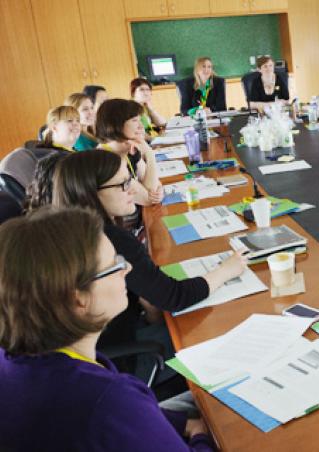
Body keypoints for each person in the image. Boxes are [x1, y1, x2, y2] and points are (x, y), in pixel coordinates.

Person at [0, 207, 215, 451]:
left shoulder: (15, 357)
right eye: (115, 265)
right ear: (78, 299)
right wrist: (200, 437)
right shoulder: (109, 400)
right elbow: (116, 411)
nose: (128, 269)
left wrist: (183, 422)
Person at [51, 151, 247, 354]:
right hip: (125, 351)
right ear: (90, 193)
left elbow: (151, 297)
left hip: (111, 339)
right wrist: (226, 270)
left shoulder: (72, 232)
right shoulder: (108, 240)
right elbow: (174, 297)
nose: (133, 190)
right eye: (123, 184)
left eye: (131, 180)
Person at [95, 99, 163, 207]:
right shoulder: (106, 161)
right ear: (116, 124)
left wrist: (160, 190)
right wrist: (150, 154)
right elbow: (148, 200)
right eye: (135, 120)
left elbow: (155, 186)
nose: (141, 126)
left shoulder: (127, 149)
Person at [0, 106, 81, 195]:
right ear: (54, 127)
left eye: (78, 120)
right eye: (69, 121)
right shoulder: (48, 156)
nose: (76, 124)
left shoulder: (73, 152)